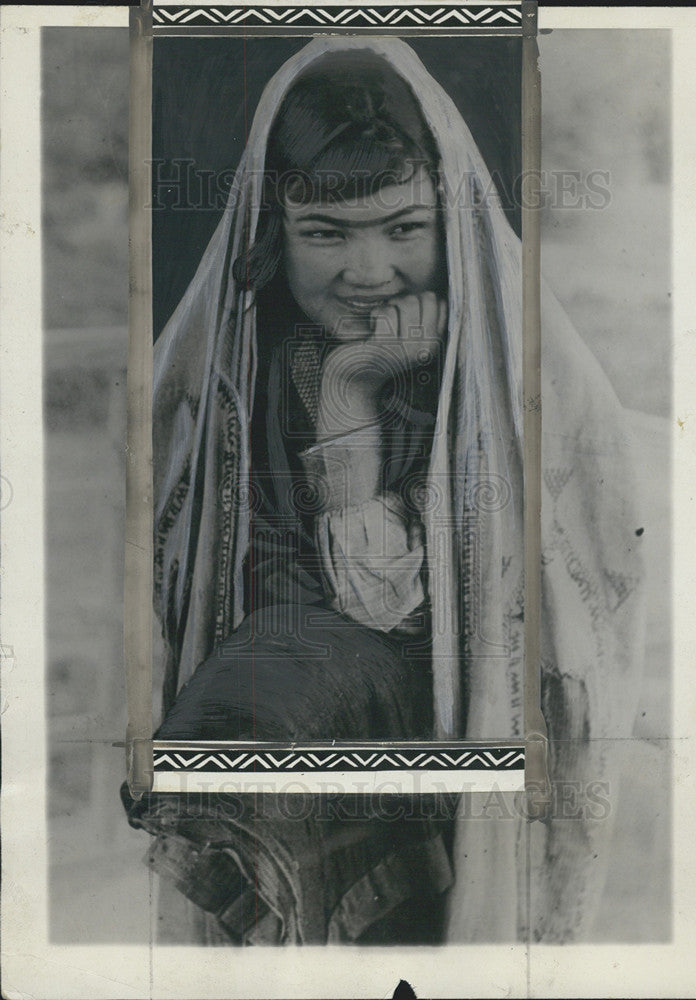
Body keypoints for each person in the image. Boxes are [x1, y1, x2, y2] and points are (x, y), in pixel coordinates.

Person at [124, 37, 645, 946]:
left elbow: (388, 604)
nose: (369, 273)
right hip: (277, 731)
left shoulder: (510, 387)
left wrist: (350, 395)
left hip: (432, 724)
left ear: (455, 221)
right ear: (269, 231)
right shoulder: (227, 370)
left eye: (403, 228)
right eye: (324, 234)